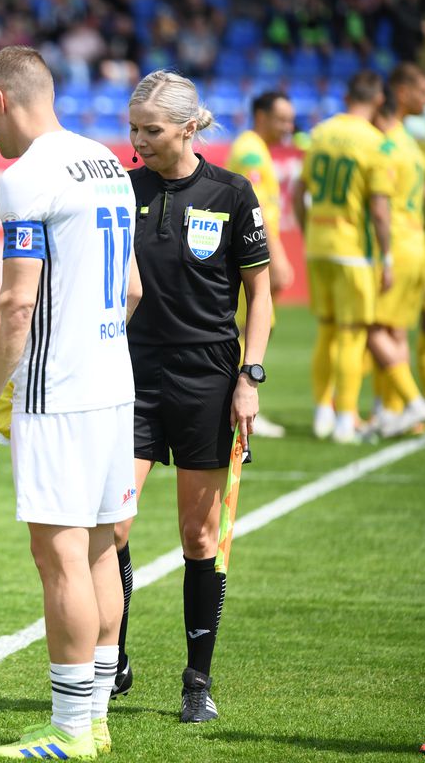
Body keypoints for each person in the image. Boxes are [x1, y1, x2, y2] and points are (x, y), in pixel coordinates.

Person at [0, 46, 139, 760]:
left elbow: (15, 301)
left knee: (58, 554)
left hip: (57, 393)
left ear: (0, 100)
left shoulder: (27, 176)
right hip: (112, 383)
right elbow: (129, 292)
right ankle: (93, 719)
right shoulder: (106, 162)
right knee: (100, 550)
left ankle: (67, 732)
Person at [117, 70, 272, 723]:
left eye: (150, 130)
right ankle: (111, 657)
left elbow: (261, 293)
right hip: (130, 379)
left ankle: (195, 681)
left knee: (199, 536)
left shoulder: (232, 192)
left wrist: (250, 377)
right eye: (133, 130)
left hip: (208, 379)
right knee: (111, 526)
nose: (138, 142)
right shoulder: (123, 190)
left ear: (187, 127)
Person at [294, 71, 395, 443]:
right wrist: (388, 257)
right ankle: (345, 420)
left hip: (319, 243)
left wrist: (309, 233)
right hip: (354, 250)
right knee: (353, 335)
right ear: (378, 99)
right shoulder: (375, 142)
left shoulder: (320, 132)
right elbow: (380, 211)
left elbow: (297, 191)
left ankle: (323, 412)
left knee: (326, 331)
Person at [366, 64, 425, 436]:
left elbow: (380, 202)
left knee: (369, 326)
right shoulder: (408, 144)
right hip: (417, 245)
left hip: (394, 245)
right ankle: (396, 412)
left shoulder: (388, 147)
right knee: (395, 332)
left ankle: (410, 402)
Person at [225, 92, 297, 438]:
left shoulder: (257, 148)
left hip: (253, 253)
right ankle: (240, 399)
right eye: (282, 118)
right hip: (252, 255)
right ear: (261, 115)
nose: (289, 126)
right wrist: (278, 256)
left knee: (253, 327)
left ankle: (244, 401)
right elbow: (257, 212)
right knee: (248, 328)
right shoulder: (251, 150)